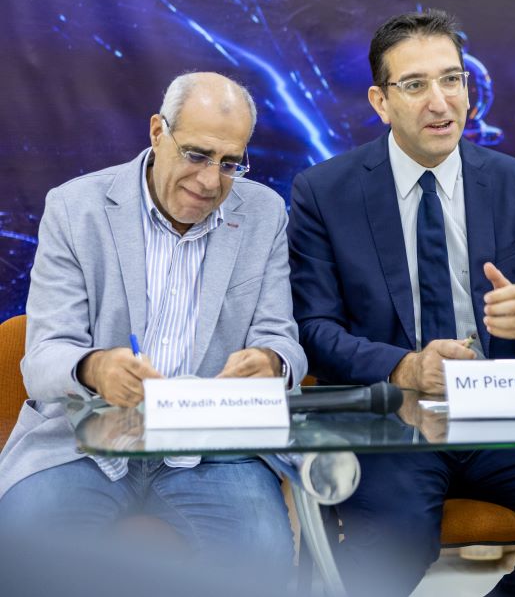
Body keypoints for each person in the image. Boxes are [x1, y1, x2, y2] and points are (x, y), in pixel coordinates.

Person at [287, 9, 515, 596]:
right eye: (415, 85)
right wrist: (405, 367)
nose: (440, 102)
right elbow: (313, 328)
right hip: (391, 425)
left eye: (452, 79)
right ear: (380, 101)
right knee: (389, 550)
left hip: (502, 415)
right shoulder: (326, 192)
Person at [0, 72, 305, 575]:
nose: (211, 181)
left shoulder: (264, 214)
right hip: (83, 440)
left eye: (230, 163)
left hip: (212, 449)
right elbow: (44, 356)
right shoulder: (75, 208)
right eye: (197, 155)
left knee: (261, 553)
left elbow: (282, 338)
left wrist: (271, 362)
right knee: (23, 548)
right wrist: (95, 368)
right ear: (158, 132)